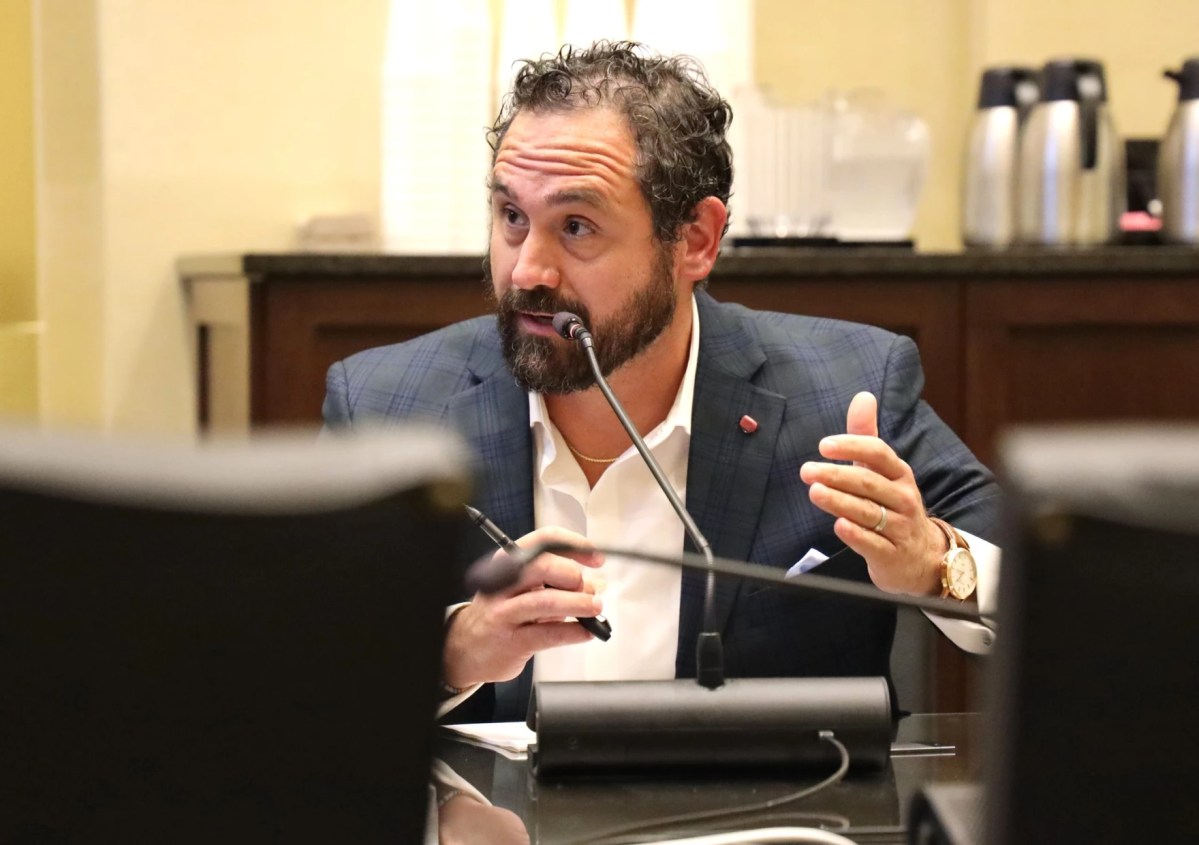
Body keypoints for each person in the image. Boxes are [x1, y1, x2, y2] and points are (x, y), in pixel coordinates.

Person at [323, 41, 1002, 722]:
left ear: (696, 240)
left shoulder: (845, 389)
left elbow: (1045, 583)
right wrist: (453, 648)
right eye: (511, 217)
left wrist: (932, 562)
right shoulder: (386, 408)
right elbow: (308, 672)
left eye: (576, 226)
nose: (527, 269)